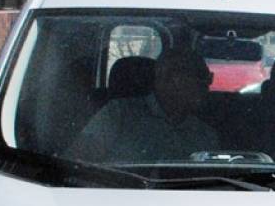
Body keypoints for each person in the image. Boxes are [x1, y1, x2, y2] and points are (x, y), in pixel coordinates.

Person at [71, 48, 219, 162]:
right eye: (201, 77)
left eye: (209, 78)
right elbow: (79, 163)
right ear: (167, 78)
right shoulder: (117, 115)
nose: (207, 85)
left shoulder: (205, 135)